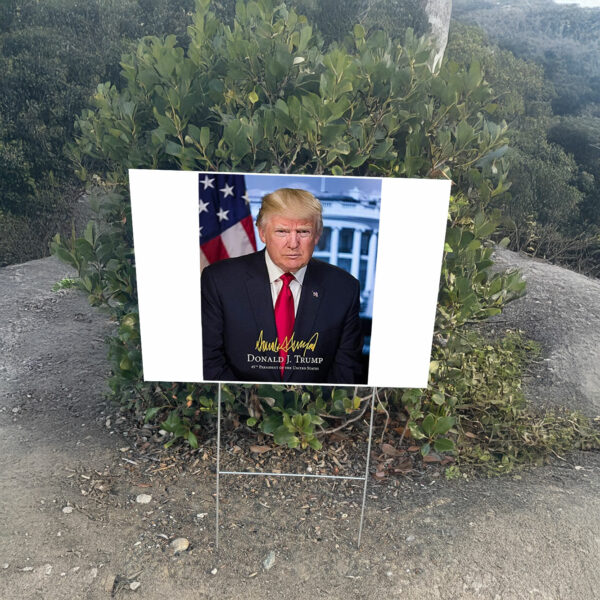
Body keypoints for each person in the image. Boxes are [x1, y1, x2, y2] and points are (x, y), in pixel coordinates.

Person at [201, 187, 364, 383]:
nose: (293, 243)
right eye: (282, 231)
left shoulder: (345, 289)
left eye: (303, 232)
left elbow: (346, 371)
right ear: (262, 233)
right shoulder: (220, 280)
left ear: (317, 236)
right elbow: (209, 360)